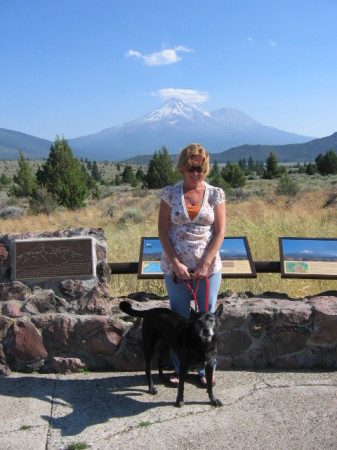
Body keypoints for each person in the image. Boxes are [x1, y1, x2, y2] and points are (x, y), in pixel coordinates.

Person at [158, 143, 226, 386]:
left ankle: (207, 369)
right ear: (182, 167)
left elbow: (219, 233)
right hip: (176, 270)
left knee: (207, 318)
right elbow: (163, 232)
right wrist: (176, 263)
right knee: (180, 318)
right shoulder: (169, 194)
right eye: (191, 168)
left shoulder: (216, 194)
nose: (195, 173)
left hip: (208, 270)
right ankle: (179, 369)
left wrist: (206, 263)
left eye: (200, 168)